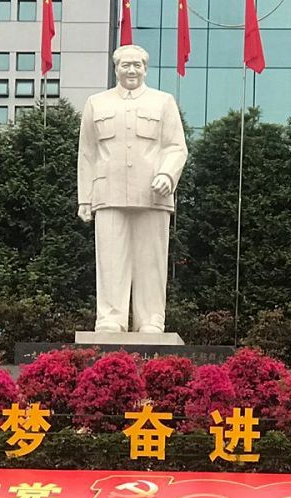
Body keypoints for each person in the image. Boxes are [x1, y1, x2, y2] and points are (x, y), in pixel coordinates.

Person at [77, 44, 189, 334]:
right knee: (111, 260)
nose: (131, 70)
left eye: (137, 65)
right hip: (108, 193)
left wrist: (167, 173)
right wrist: (84, 199)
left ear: (145, 69)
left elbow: (176, 146)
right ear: (116, 68)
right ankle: (110, 317)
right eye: (125, 65)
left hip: (153, 195)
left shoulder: (162, 102)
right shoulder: (96, 103)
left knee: (151, 260)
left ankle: (151, 319)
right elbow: (87, 153)